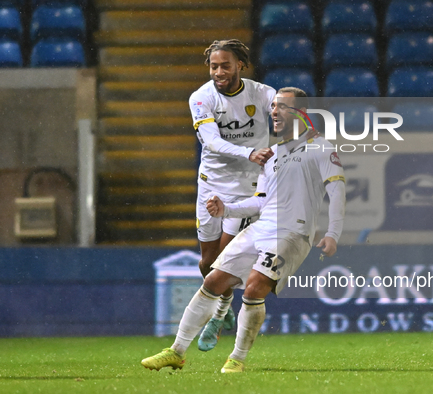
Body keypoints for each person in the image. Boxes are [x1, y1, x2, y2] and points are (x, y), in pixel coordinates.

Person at [141, 87, 346, 373]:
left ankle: (236, 359)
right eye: (273, 106)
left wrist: (333, 233)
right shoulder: (271, 154)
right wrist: (226, 209)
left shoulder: (321, 148)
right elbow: (259, 203)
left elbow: (337, 191)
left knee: (254, 288)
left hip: (292, 234)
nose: (274, 111)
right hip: (263, 227)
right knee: (213, 281)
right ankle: (176, 351)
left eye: (282, 107)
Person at [189, 39, 276, 350]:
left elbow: (290, 116)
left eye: (225, 65)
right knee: (207, 263)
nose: (219, 72)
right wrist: (249, 151)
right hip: (211, 183)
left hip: (246, 189)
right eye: (214, 66)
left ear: (241, 64)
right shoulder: (201, 98)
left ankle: (218, 317)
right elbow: (211, 142)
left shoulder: (263, 94)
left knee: (224, 262)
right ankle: (223, 309)